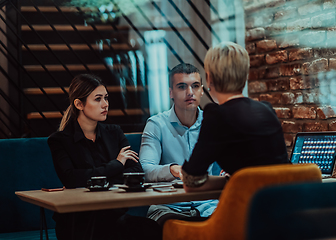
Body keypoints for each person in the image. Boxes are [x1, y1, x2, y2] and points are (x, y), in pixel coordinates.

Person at [47, 74, 161, 240]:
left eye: (106, 98)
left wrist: (93, 176)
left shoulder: (114, 132)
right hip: (78, 222)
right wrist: (117, 164)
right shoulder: (59, 141)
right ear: (79, 104)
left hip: (113, 217)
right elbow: (72, 179)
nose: (105, 104)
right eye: (98, 99)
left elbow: (136, 172)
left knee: (150, 228)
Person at [181, 42, 290, 193]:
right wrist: (237, 179)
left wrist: (232, 180)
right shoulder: (266, 109)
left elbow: (191, 182)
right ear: (245, 76)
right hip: (286, 209)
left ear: (209, 78)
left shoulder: (217, 115)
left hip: (248, 212)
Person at [139, 63, 219, 226]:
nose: (190, 92)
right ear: (171, 93)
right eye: (182, 86)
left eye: (195, 86)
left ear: (202, 90)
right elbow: (144, 169)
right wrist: (172, 170)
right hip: (169, 207)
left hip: (208, 206)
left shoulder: (213, 122)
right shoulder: (156, 124)